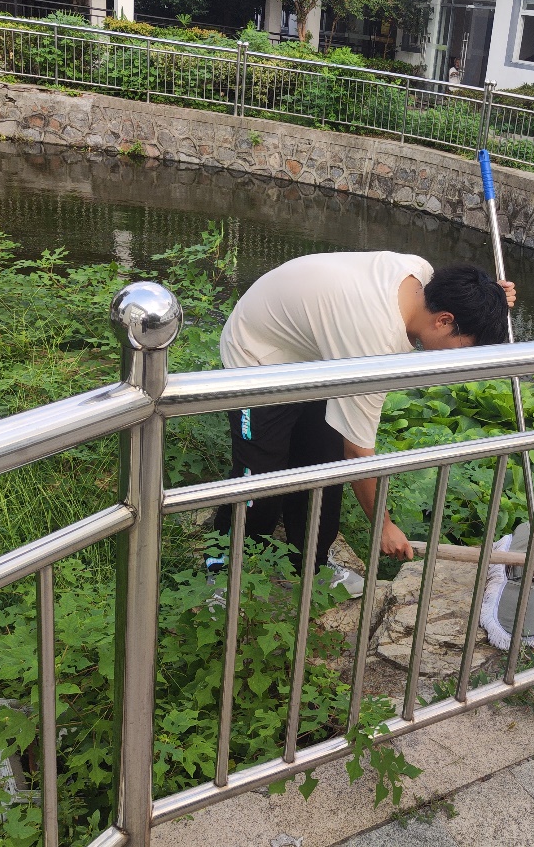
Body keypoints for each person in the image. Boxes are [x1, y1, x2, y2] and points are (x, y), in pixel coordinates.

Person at [213, 251, 516, 596]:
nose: (458, 362)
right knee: (260, 481)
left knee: (325, 470)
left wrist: (490, 297)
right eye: (463, 349)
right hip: (259, 357)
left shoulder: (421, 275)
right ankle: (221, 570)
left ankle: (312, 565)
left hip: (315, 356)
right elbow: (357, 453)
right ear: (444, 321)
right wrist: (382, 526)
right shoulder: (373, 342)